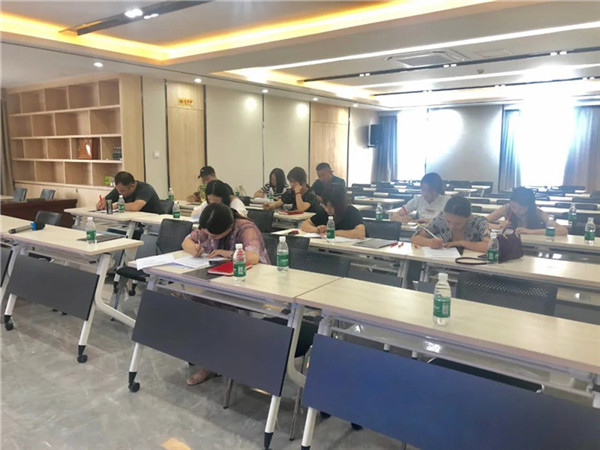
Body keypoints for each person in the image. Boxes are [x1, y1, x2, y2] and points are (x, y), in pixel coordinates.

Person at [181, 202, 269, 385]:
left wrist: (226, 253)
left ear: (228, 228)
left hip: (250, 284)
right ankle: (210, 358)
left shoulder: (246, 228)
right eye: (207, 234)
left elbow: (253, 257)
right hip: (221, 280)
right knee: (193, 300)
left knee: (216, 309)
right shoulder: (210, 225)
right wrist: (194, 249)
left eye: (213, 236)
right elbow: (186, 241)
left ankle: (217, 361)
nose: (209, 238)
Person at [412, 196, 490, 252]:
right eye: (448, 221)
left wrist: (461, 243)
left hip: (471, 266)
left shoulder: (479, 222)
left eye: (457, 223)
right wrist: (430, 242)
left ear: (469, 217)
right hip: (443, 263)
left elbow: (489, 246)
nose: (452, 227)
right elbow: (415, 238)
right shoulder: (441, 219)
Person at [486, 187, 568, 236]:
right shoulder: (507, 208)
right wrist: (499, 226)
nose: (516, 211)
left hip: (533, 248)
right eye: (513, 206)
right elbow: (481, 221)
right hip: (510, 246)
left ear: (529, 206)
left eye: (521, 209)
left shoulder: (539, 213)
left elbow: (563, 231)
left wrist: (530, 232)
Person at [301, 185, 366, 239]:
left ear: (340, 204)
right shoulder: (324, 212)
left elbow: (360, 233)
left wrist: (333, 232)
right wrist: (317, 229)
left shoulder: (351, 212)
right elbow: (305, 224)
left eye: (331, 206)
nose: (328, 209)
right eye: (325, 205)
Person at [96, 171, 163, 214]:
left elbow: (135, 207)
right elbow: (105, 200)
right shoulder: (120, 188)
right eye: (117, 189)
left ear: (132, 186)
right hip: (133, 221)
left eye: (122, 191)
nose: (119, 192)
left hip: (153, 223)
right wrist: (101, 204)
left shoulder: (145, 189)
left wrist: (117, 205)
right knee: (111, 231)